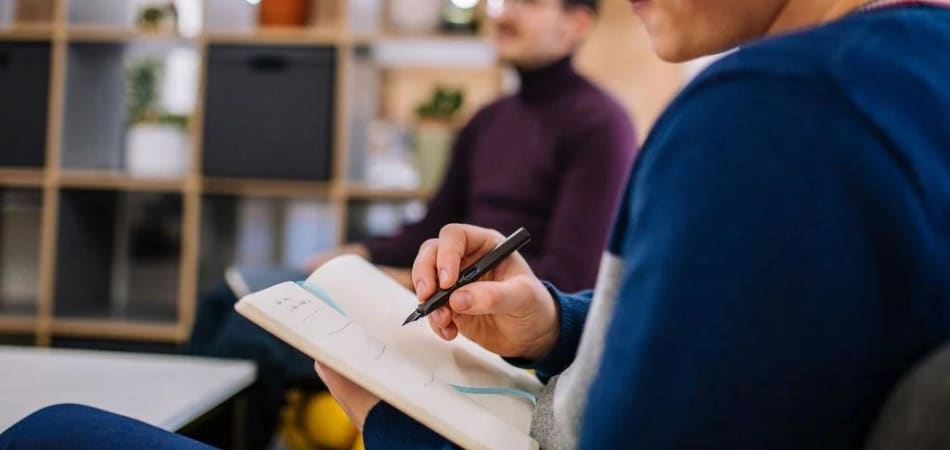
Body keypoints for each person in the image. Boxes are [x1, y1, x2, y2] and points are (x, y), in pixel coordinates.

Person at [5, 0, 948, 448]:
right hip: (511, 365)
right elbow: (750, 346)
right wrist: (556, 323)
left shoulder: (770, 114)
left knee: (50, 437)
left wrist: (388, 422)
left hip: (477, 425)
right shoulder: (901, 80)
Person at [185, 0, 635, 446]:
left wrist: (401, 279)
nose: (502, 13)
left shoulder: (601, 126)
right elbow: (434, 224)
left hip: (475, 320)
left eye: (528, 2)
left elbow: (567, 277)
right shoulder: (488, 120)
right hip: (431, 288)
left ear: (577, 23)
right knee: (223, 297)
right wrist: (360, 254)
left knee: (252, 334)